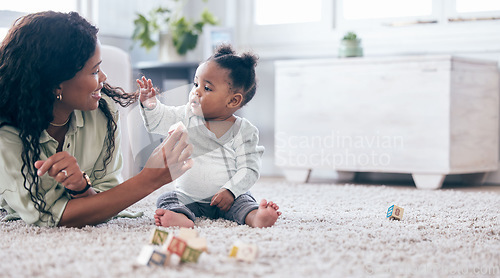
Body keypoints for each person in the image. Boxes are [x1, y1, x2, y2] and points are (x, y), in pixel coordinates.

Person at [0, 11, 193, 228]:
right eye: (94, 71)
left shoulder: (102, 114)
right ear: (56, 84)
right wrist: (149, 179)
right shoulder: (7, 134)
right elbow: (47, 216)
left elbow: (108, 197)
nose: (103, 78)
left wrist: (83, 188)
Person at [138, 44, 281, 228]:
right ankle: (182, 218)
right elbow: (159, 121)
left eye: (207, 88)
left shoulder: (244, 131)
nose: (196, 91)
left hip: (229, 199)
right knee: (167, 199)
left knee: (244, 202)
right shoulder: (186, 115)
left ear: (233, 100)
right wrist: (150, 105)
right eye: (196, 83)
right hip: (188, 196)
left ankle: (256, 218)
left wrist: (230, 190)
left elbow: (249, 169)